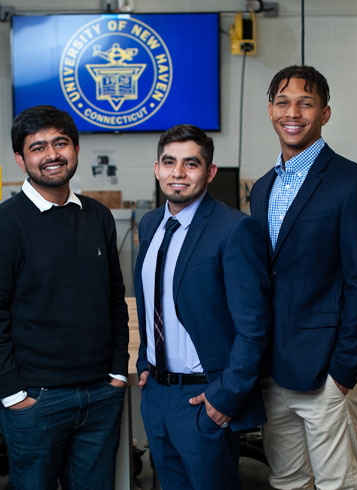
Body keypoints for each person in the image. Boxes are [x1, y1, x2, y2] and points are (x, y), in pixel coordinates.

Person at [0, 105, 129, 490]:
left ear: (75, 148)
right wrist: (11, 394)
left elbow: (114, 299)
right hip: (35, 400)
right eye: (37, 147)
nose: (52, 154)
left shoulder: (98, 216)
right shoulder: (1, 225)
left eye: (60, 143)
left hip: (100, 395)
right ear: (21, 160)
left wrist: (118, 371)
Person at [135, 124, 271, 490]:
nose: (178, 173)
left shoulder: (234, 229)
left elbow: (253, 326)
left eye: (190, 164)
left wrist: (225, 396)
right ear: (157, 168)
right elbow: (153, 301)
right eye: (169, 162)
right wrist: (144, 361)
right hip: (157, 396)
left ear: (209, 172)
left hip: (203, 398)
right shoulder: (150, 224)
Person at [250, 65, 357, 490]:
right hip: (273, 369)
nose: (292, 112)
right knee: (288, 481)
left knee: (339, 484)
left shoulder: (351, 183)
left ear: (325, 113)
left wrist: (344, 372)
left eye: (306, 102)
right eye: (283, 102)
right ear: (270, 110)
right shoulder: (262, 188)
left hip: (326, 375)